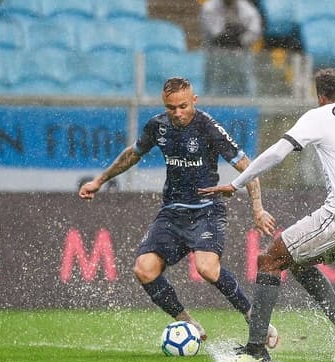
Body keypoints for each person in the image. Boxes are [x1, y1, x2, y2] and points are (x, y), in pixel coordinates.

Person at [198, 68, 335, 362]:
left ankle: (256, 349)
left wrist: (237, 183)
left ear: (321, 95)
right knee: (297, 263)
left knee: (269, 260)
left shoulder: (320, 115)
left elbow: (277, 153)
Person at [79, 77, 278, 346]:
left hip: (207, 210)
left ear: (194, 100)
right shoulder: (158, 126)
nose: (178, 113)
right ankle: (187, 321)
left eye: (183, 106)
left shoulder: (208, 128)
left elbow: (248, 168)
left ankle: (253, 316)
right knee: (144, 269)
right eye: (171, 107)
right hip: (172, 212)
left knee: (207, 268)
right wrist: (99, 181)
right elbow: (132, 155)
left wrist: (258, 209)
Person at [199, 0, 263, 96]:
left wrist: (239, 38)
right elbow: (215, 33)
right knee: (214, 88)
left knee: (246, 87)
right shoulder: (209, 7)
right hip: (217, 55)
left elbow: (254, 31)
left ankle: (248, 108)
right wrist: (236, 32)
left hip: (241, 56)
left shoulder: (247, 8)